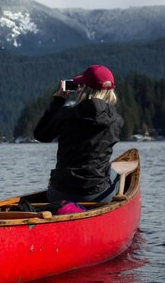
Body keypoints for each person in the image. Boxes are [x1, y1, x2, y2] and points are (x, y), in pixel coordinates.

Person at [33, 65, 124, 203]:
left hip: (59, 192)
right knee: (116, 175)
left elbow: (41, 135)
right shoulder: (116, 120)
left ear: (83, 88)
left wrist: (57, 102)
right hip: (94, 194)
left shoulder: (67, 114)